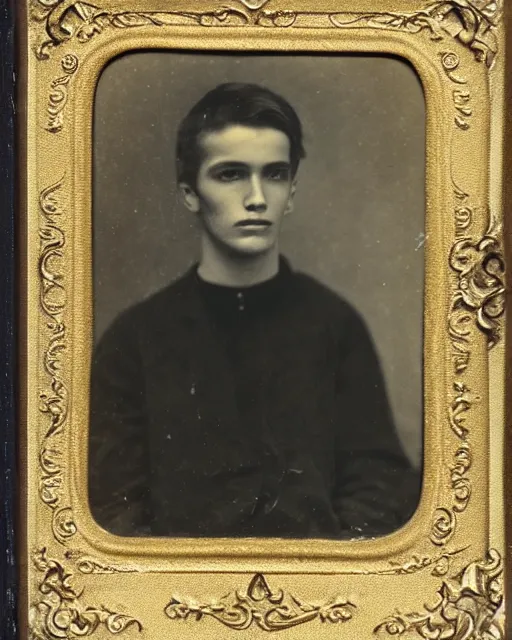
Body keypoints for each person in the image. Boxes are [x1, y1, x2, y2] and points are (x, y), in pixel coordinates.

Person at [89, 82, 419, 538]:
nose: (257, 198)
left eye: (275, 174)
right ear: (189, 193)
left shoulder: (334, 325)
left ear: (293, 191)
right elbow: (113, 507)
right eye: (231, 174)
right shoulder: (134, 340)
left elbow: (379, 483)